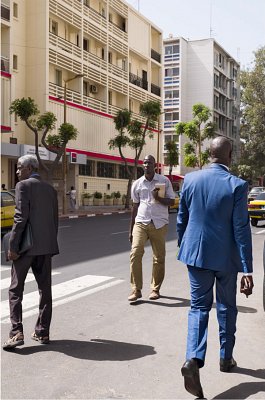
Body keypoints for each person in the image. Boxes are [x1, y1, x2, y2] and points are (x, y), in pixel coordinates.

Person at [177, 137, 254, 398]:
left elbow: (182, 220)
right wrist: (247, 269)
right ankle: (225, 358)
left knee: (198, 307)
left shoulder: (190, 180)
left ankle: (193, 360)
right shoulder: (237, 185)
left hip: (196, 255)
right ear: (229, 155)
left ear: (209, 154)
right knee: (226, 306)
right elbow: (241, 229)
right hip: (225, 259)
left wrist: (185, 247)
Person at [3, 154, 59, 350]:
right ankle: (43, 332)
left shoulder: (23, 186)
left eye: (19, 168)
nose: (17, 172)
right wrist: (51, 246)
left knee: (15, 290)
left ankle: (16, 332)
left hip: (25, 249)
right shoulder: (51, 190)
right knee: (45, 290)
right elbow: (55, 221)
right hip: (46, 248)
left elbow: (20, 218)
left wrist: (13, 247)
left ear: (28, 168)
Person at [128, 155, 175, 302]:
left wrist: (158, 198)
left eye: (150, 162)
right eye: (145, 162)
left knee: (159, 258)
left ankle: (155, 289)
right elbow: (135, 206)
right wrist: (131, 229)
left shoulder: (164, 181)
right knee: (135, 253)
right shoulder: (137, 183)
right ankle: (136, 289)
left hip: (159, 223)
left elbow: (172, 201)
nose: (147, 165)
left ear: (155, 165)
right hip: (141, 222)